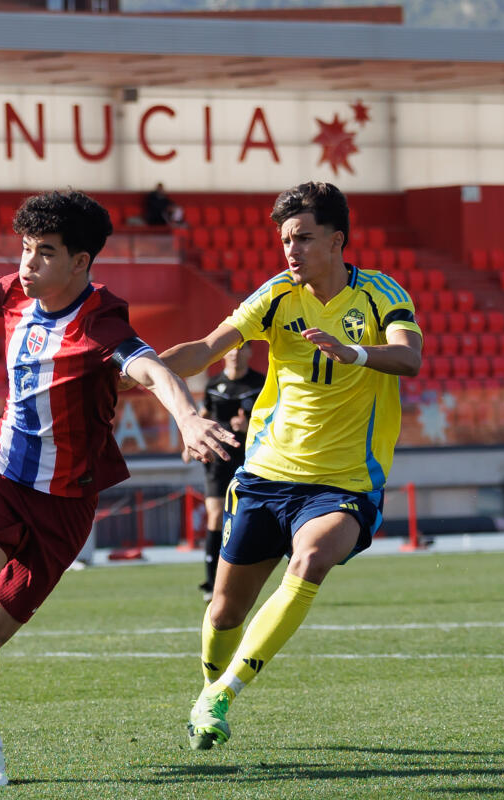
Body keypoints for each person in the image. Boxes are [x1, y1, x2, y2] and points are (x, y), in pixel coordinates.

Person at [0, 187, 237, 789]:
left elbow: (152, 368)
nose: (27, 264)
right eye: (26, 249)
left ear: (81, 263)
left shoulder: (101, 319)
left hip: (67, 502)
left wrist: (186, 417)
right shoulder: (13, 295)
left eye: (45, 253)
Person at [151, 181, 422, 751]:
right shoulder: (276, 295)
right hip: (266, 475)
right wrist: (139, 368)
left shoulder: (379, 294)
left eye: (302, 238)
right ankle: (210, 690)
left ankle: (227, 692)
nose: (290, 251)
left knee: (313, 558)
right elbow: (205, 348)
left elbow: (410, 356)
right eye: (284, 240)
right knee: (225, 612)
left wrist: (357, 353)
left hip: (344, 483)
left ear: (337, 240)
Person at [192, 340, 263, 601]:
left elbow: (274, 420)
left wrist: (249, 427)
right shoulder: (213, 384)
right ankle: (211, 583)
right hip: (218, 459)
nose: (235, 353)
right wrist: (192, 443)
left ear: (249, 352)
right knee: (215, 516)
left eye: (241, 347)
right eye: (230, 348)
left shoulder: (261, 383)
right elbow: (203, 414)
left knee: (252, 520)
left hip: (252, 458)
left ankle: (249, 580)